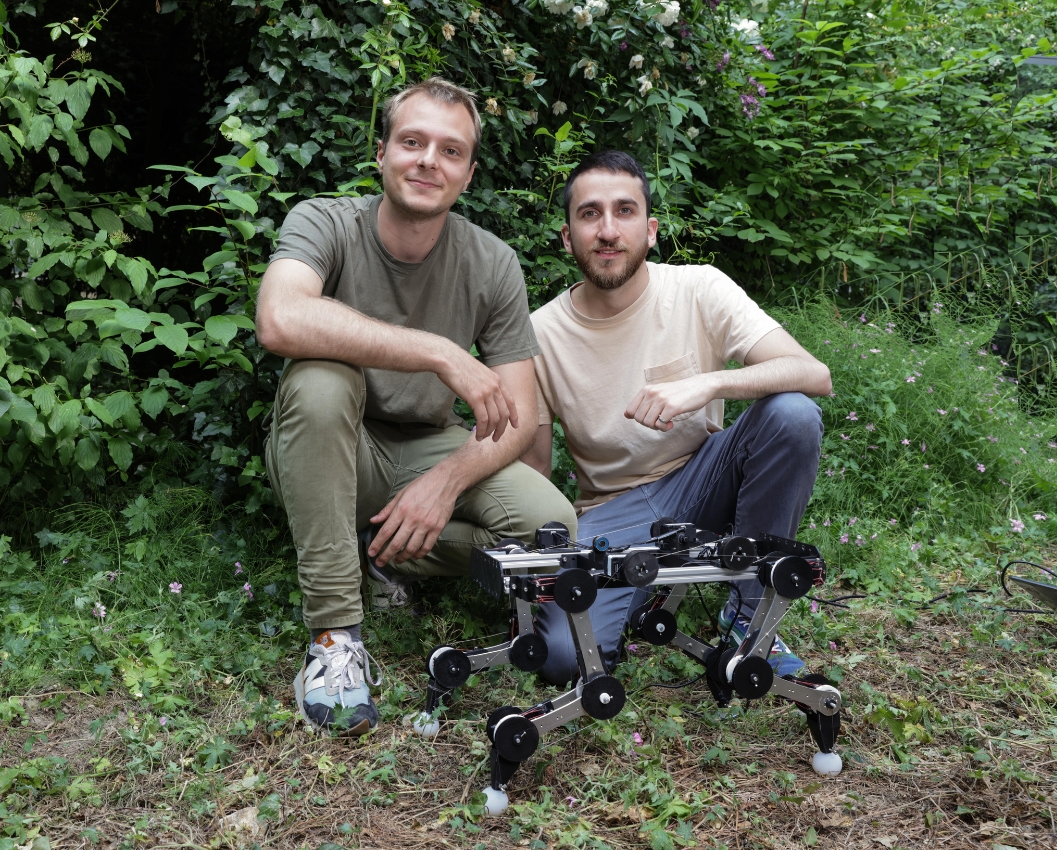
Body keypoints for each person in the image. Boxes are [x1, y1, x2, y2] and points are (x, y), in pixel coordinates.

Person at [256, 78, 578, 735]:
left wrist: (446, 482)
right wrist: (439, 352)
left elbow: (519, 410)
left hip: (428, 443)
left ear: (468, 173)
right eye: (412, 142)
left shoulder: (491, 261)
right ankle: (334, 637)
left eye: (451, 150)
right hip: (332, 445)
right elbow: (280, 318)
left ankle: (379, 552)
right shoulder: (324, 222)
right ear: (381, 153)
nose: (429, 160)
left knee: (550, 524)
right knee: (320, 380)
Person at [520, 150, 832, 686]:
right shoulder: (539, 334)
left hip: (705, 477)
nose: (608, 230)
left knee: (793, 415)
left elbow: (813, 373)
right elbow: (534, 476)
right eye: (590, 214)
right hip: (612, 515)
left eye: (625, 211)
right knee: (562, 659)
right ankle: (642, 589)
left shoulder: (698, 288)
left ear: (651, 230)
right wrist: (536, 572)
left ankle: (748, 614)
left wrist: (709, 383)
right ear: (568, 237)